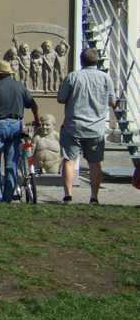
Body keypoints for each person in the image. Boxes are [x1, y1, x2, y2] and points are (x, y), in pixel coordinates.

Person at [57, 48, 116, 204]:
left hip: (73, 125)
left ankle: (68, 195)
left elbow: (61, 98)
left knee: (69, 160)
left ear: (81, 60)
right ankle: (94, 197)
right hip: (95, 127)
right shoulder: (105, 78)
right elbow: (112, 102)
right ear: (97, 61)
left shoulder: (73, 77)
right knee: (95, 163)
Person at [0, 60, 40, 202]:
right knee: (11, 162)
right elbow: (33, 105)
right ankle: (7, 197)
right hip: (15, 124)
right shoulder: (20, 87)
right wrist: (37, 120)